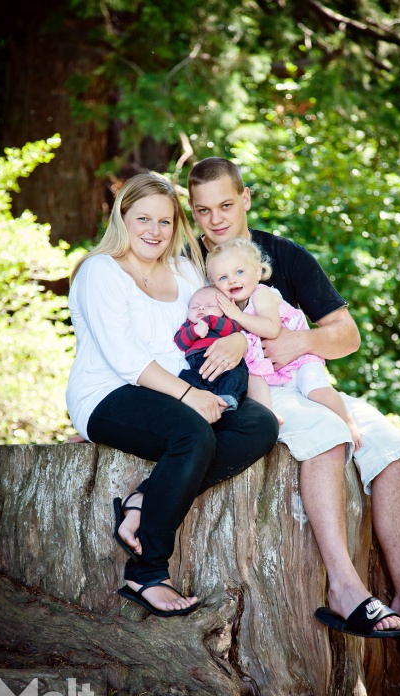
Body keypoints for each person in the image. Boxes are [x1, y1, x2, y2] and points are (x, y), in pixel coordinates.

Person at [186, 156, 400, 651]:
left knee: (392, 446)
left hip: (299, 375)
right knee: (327, 437)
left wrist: (301, 341)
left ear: (245, 199)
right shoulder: (185, 262)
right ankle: (346, 588)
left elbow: (346, 336)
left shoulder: (283, 256)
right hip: (246, 390)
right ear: (193, 213)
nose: (216, 219)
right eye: (202, 211)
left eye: (225, 204)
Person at [66, 172, 279, 618]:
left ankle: (144, 497)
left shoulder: (183, 271)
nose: (154, 231)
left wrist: (238, 341)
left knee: (259, 424)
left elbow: (221, 316)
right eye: (142, 218)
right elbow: (124, 358)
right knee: (193, 435)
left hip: (179, 390)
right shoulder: (99, 271)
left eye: (164, 222)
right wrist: (190, 397)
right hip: (108, 394)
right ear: (122, 218)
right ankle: (145, 573)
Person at [206, 236, 361, 446]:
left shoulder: (261, 295)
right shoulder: (235, 306)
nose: (232, 280)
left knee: (315, 389)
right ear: (214, 284)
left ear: (258, 271)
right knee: (253, 379)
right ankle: (268, 417)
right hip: (274, 368)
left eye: (239, 272)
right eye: (222, 278)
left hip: (301, 359)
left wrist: (236, 315)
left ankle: (348, 421)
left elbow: (271, 328)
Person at [174, 285, 249, 410]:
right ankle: (206, 399)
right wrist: (194, 330)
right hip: (199, 361)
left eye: (211, 306)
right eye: (195, 307)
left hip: (227, 362)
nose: (201, 308)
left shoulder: (224, 321)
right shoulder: (189, 324)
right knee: (185, 377)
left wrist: (210, 320)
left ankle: (226, 400)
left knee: (238, 375)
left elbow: (234, 329)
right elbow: (180, 342)